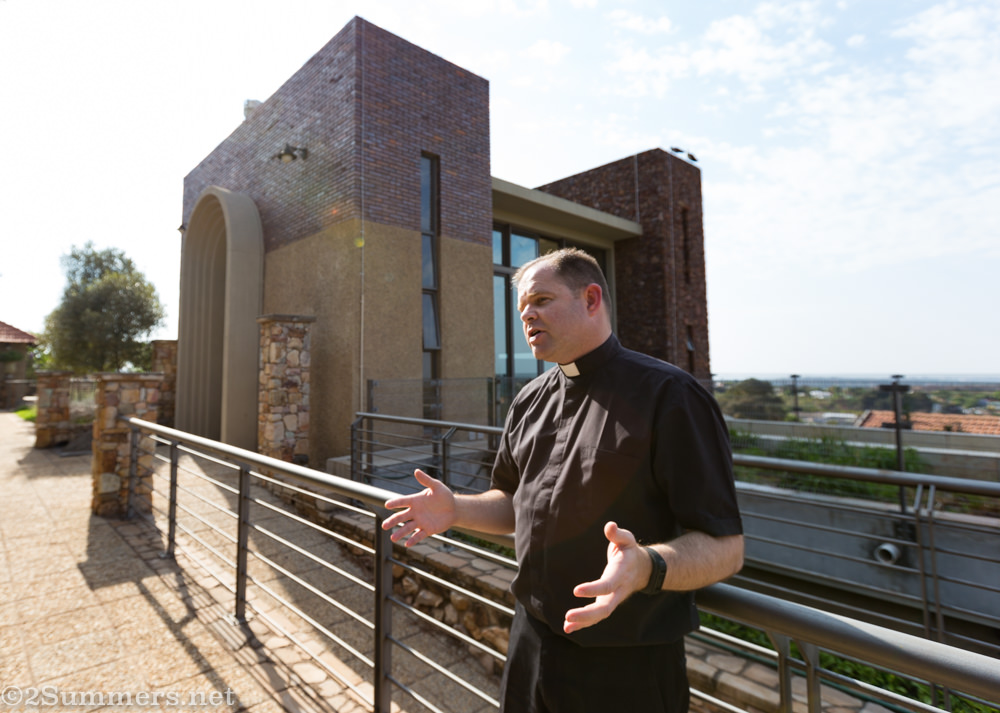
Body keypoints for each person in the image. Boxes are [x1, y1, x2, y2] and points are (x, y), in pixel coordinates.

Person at [383, 247, 743, 712]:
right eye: (522, 309)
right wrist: (456, 510)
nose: (527, 316)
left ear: (591, 299)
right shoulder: (528, 401)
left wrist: (646, 566)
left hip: (625, 664)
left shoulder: (671, 397)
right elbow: (513, 503)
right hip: (530, 642)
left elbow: (725, 547)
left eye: (542, 301)